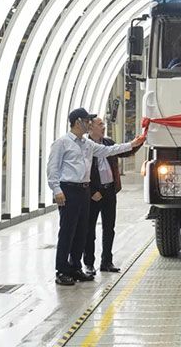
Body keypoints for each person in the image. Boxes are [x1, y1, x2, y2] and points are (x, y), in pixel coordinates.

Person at [47, 108, 145, 286]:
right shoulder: (62, 143)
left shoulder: (87, 144)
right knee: (67, 232)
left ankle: (75, 267)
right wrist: (56, 190)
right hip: (69, 190)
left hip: (84, 190)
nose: (89, 124)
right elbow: (52, 168)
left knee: (81, 231)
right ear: (78, 122)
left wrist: (132, 144)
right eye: (87, 121)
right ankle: (62, 270)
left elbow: (108, 150)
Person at [83, 117, 142, 275]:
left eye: (103, 124)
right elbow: (82, 170)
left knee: (109, 228)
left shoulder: (108, 142)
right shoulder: (85, 145)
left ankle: (107, 261)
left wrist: (138, 142)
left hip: (109, 191)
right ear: (90, 128)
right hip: (94, 193)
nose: (104, 126)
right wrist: (92, 191)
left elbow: (124, 151)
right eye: (100, 124)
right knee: (89, 230)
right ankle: (88, 263)